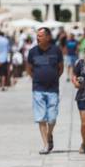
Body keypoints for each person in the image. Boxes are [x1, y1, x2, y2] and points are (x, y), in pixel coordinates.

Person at [26, 27, 63, 155]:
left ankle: (49, 134)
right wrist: (36, 79)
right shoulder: (32, 52)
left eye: (40, 36)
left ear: (48, 37)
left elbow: (61, 68)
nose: (38, 38)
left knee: (52, 118)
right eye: (37, 36)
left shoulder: (56, 50)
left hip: (53, 89)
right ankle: (46, 144)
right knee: (41, 117)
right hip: (38, 89)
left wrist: (53, 78)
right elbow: (29, 69)